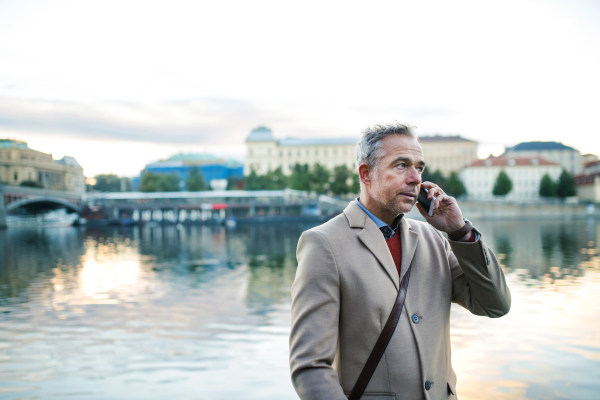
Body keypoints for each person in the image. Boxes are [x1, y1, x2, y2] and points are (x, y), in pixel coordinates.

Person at [289, 123, 511, 400]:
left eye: (419, 167)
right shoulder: (324, 244)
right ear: (366, 174)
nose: (415, 178)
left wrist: (460, 231)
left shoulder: (435, 240)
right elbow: (310, 366)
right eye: (401, 165)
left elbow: (495, 305)